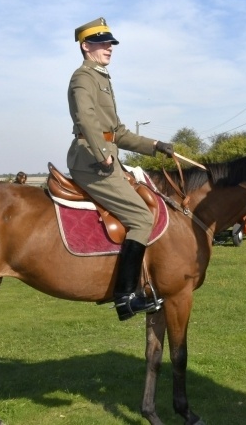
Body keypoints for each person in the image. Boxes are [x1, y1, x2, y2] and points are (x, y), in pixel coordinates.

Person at [67, 17, 174, 321]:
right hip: (91, 160)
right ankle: (125, 297)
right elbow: (86, 119)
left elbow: (119, 133)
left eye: (110, 44)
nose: (109, 48)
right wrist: (102, 154)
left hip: (105, 155)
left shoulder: (102, 78)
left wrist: (156, 145)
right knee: (141, 217)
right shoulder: (83, 78)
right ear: (86, 47)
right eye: (102, 43)